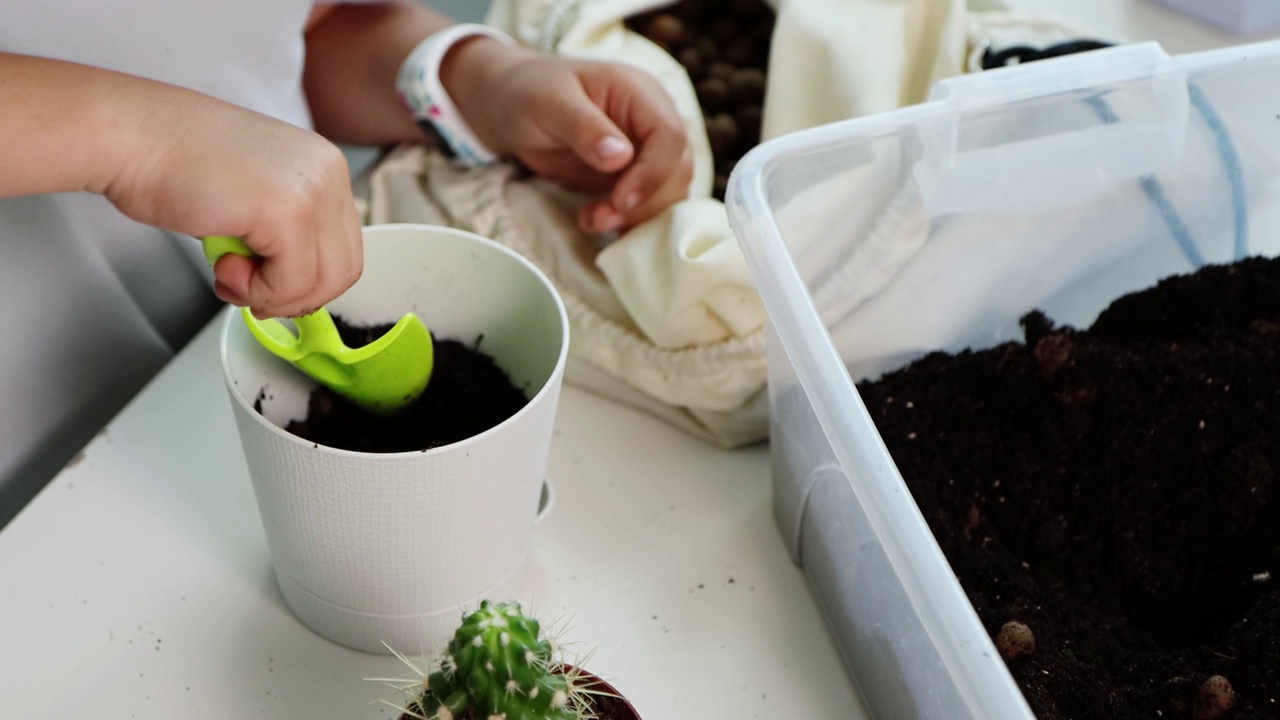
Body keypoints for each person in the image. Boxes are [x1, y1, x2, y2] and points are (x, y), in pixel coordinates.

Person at [0, 0, 693, 526]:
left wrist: (476, 82)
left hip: (222, 361)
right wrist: (137, 136)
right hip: (46, 486)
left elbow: (293, 34)